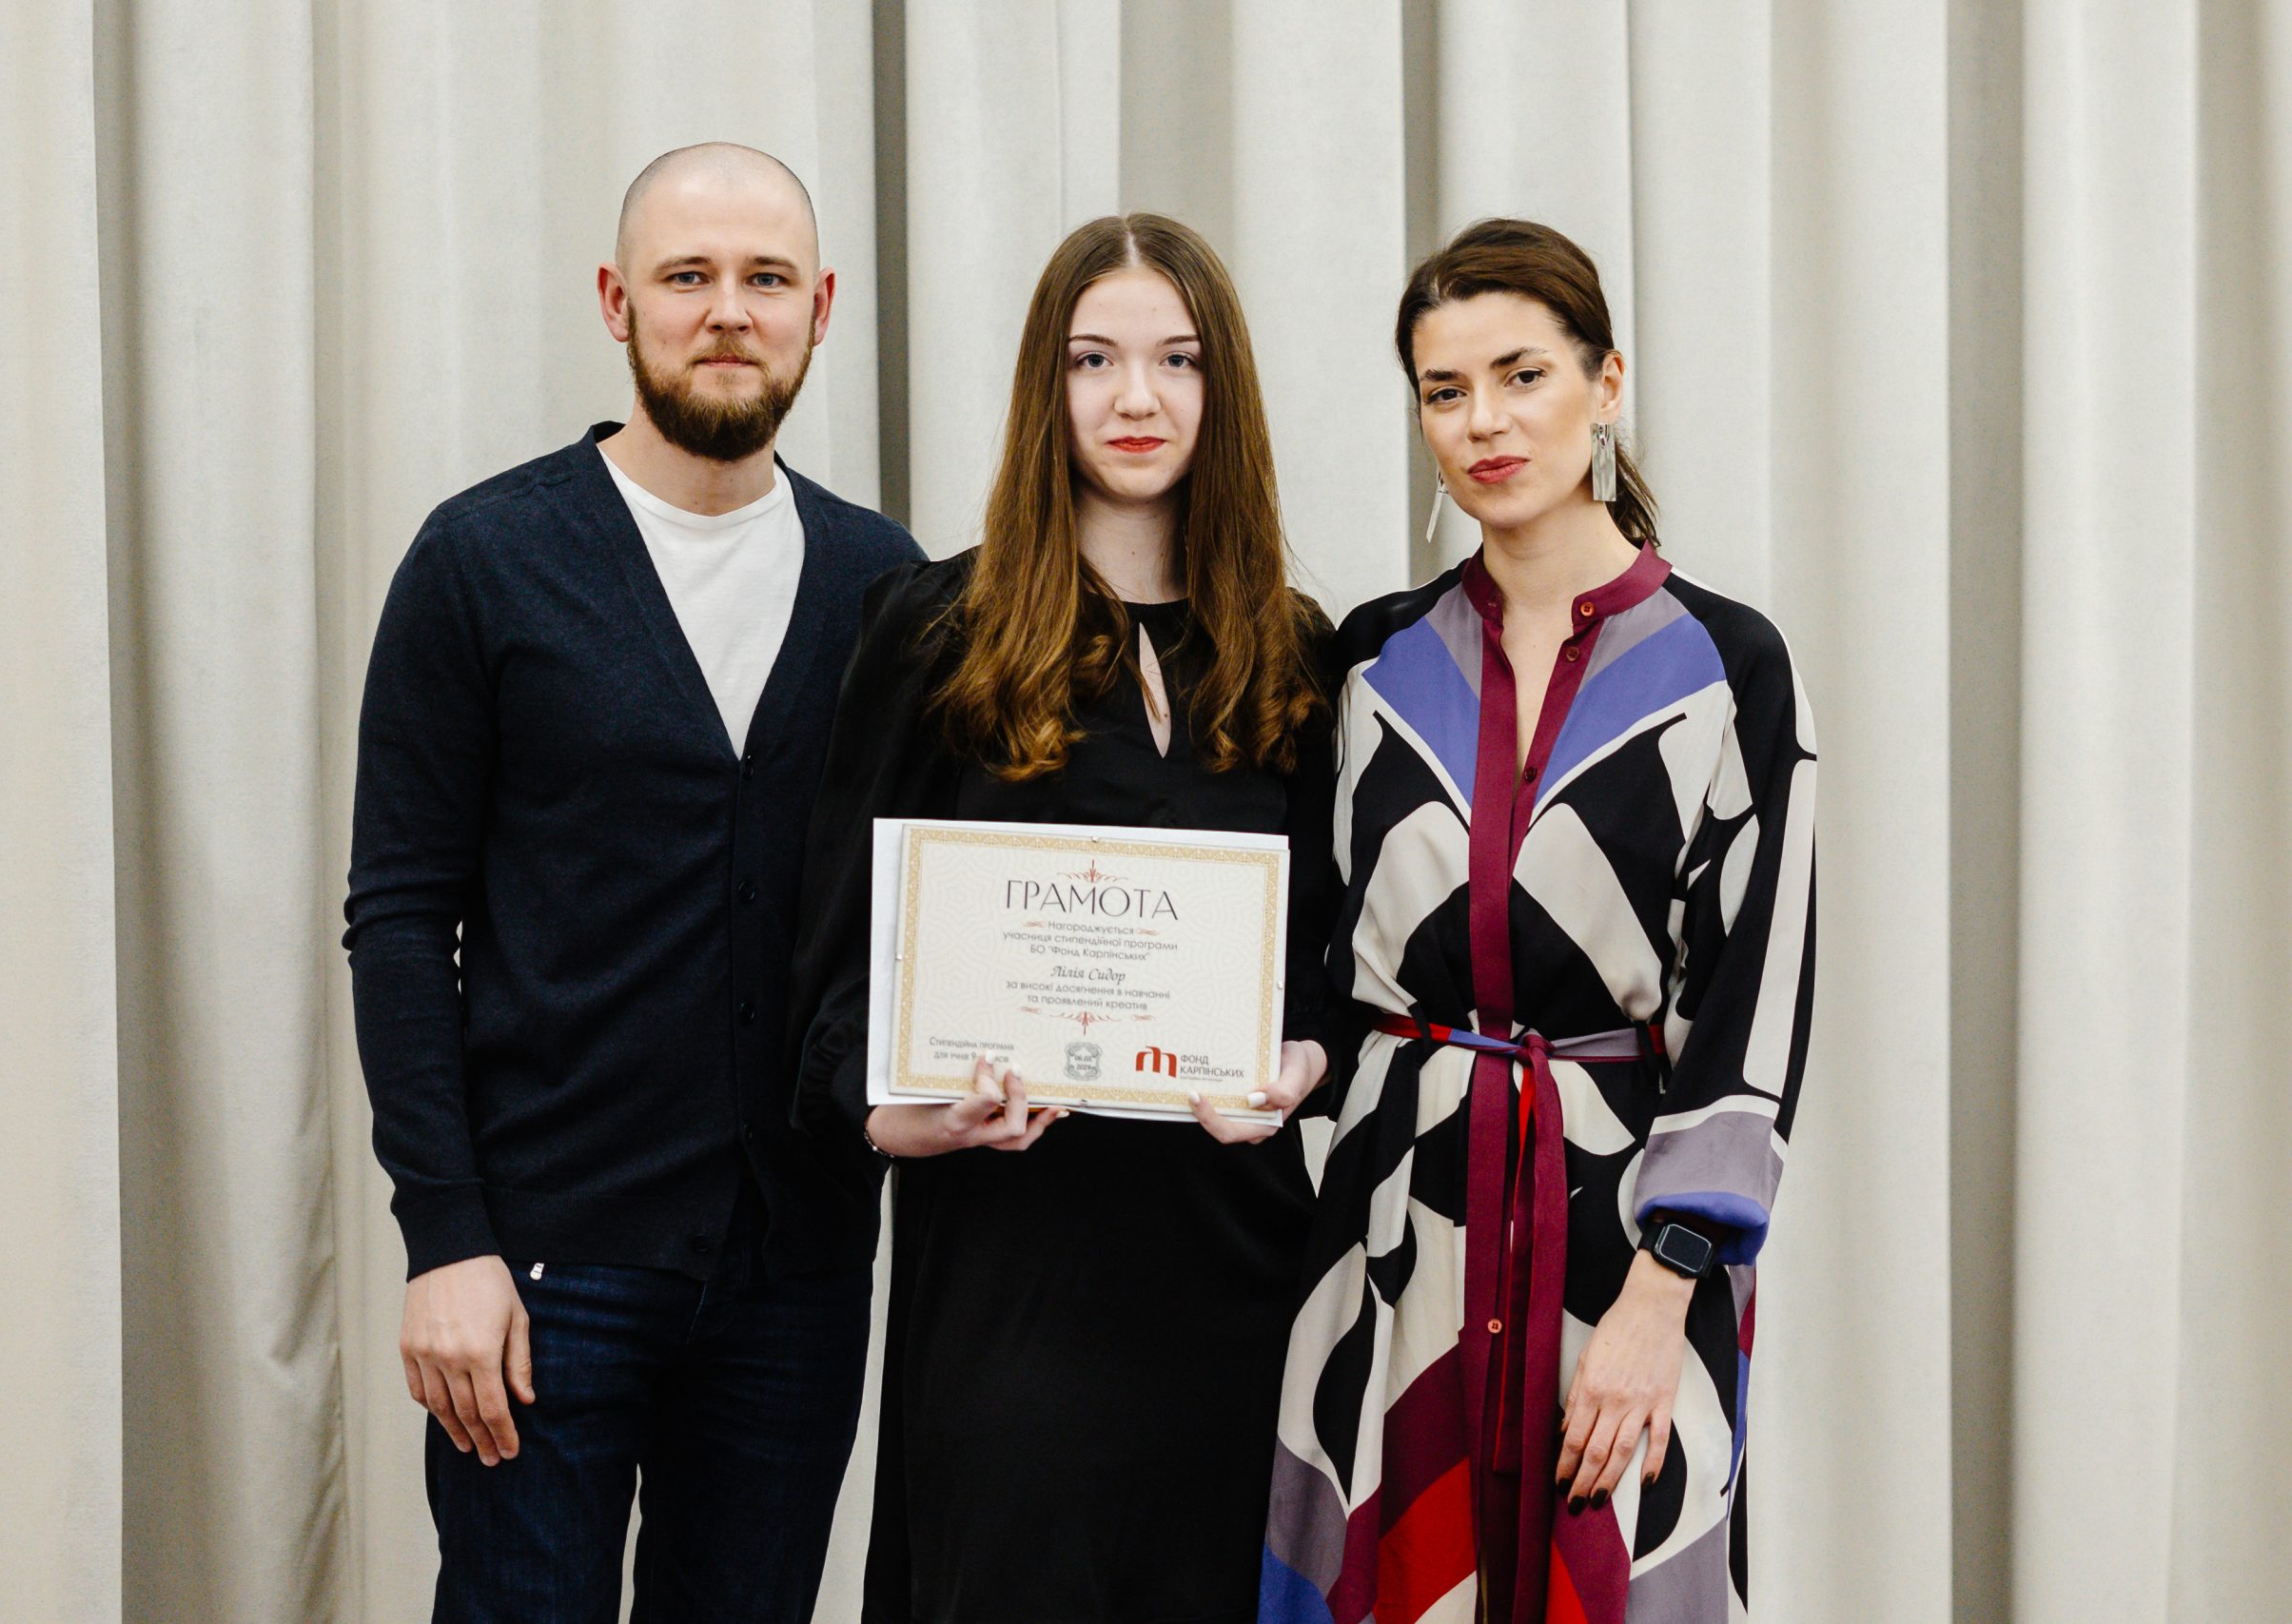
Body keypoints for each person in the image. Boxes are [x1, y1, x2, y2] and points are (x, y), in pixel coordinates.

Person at [343, 143, 921, 1623]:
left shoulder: (887, 586)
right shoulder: (482, 561)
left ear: (820, 310)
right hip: (543, 1267)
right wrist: (445, 1239)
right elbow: (399, 919)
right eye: (687, 276)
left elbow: (910, 912)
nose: (728, 310)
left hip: (796, 1274)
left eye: (766, 278)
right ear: (617, 302)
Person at [1258, 219, 1816, 1624]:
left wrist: (1666, 1290)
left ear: (1605, 382)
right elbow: (1316, 949)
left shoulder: (1726, 666)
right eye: (1444, 391)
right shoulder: (1371, 660)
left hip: (1620, 1235)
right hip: (1393, 1229)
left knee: (1612, 1581)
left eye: (1522, 376)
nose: (1484, 423)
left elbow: (1753, 997)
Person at [788, 212, 1338, 1624]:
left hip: (1233, 1268)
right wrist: (898, 1117)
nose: (1136, 397)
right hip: (1008, 1270)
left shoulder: (1294, 649)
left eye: (1177, 360)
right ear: (1049, 381)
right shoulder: (933, 629)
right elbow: (830, 979)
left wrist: (1300, 1065)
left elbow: (1330, 971)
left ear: (1224, 389)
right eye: (1095, 359)